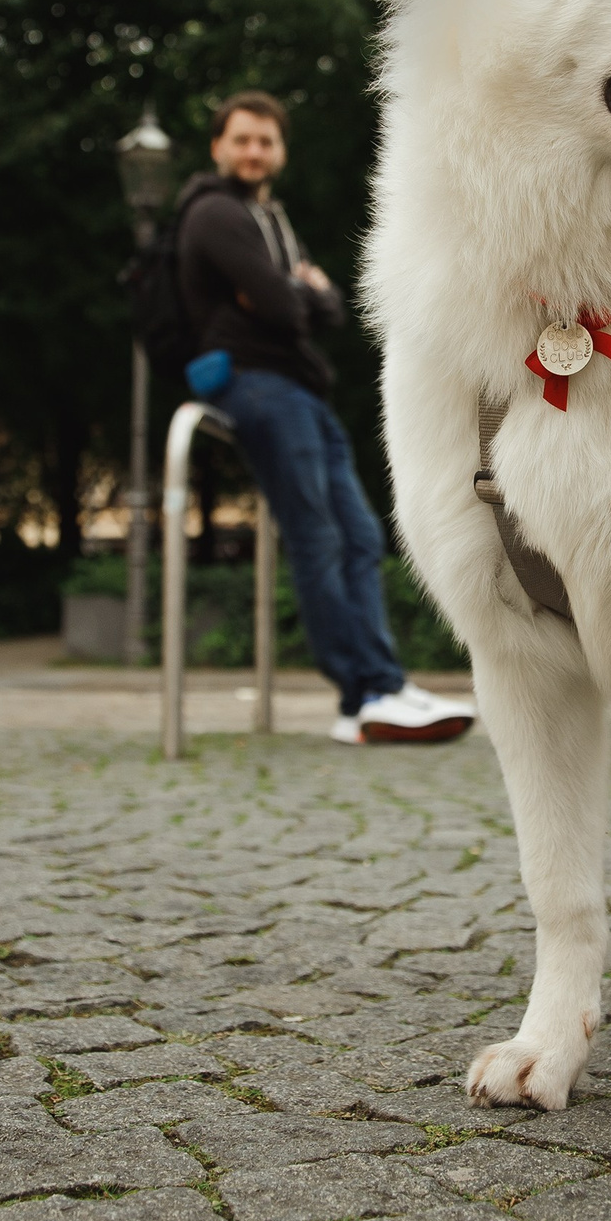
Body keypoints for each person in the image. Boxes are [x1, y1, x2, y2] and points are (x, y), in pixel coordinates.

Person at [175, 90, 474, 744]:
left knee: (362, 535)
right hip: (256, 386)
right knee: (319, 537)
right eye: (243, 139)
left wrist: (301, 296)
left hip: (300, 389)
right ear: (218, 146)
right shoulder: (214, 215)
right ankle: (362, 694)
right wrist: (298, 294)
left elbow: (329, 309)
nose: (254, 151)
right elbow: (290, 311)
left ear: (279, 151)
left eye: (266, 141)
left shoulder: (267, 218)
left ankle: (384, 684)